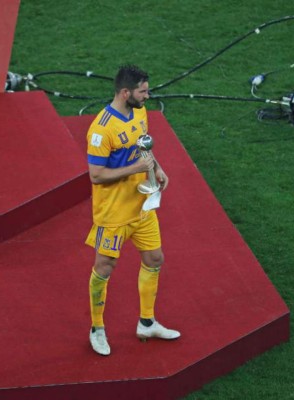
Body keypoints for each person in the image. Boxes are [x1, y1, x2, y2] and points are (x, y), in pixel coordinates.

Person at [85, 64, 180, 356]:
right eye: (143, 91)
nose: (147, 96)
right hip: (113, 215)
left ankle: (147, 322)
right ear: (126, 92)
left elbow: (142, 147)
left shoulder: (139, 113)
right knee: (105, 268)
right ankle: (97, 328)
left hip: (142, 207)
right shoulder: (101, 130)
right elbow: (96, 175)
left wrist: (156, 167)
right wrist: (137, 168)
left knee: (155, 258)